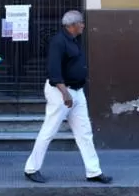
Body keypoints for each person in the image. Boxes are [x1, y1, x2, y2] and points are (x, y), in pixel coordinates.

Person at [24, 10, 112, 185]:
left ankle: (93, 171)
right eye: (81, 22)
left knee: (84, 133)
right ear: (72, 25)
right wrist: (65, 94)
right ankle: (31, 169)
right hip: (61, 92)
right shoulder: (58, 42)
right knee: (49, 130)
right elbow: (53, 71)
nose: (83, 25)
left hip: (77, 92)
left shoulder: (74, 40)